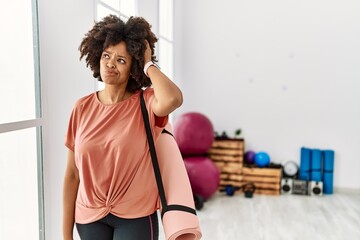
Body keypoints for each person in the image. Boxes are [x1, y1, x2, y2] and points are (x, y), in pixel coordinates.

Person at [63, 14, 183, 240]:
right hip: (89, 217)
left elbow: (173, 99)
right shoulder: (81, 107)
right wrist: (65, 235)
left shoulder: (147, 102)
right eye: (107, 55)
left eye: (121, 60)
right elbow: (71, 175)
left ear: (133, 68)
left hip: (135, 217)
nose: (110, 63)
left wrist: (148, 64)